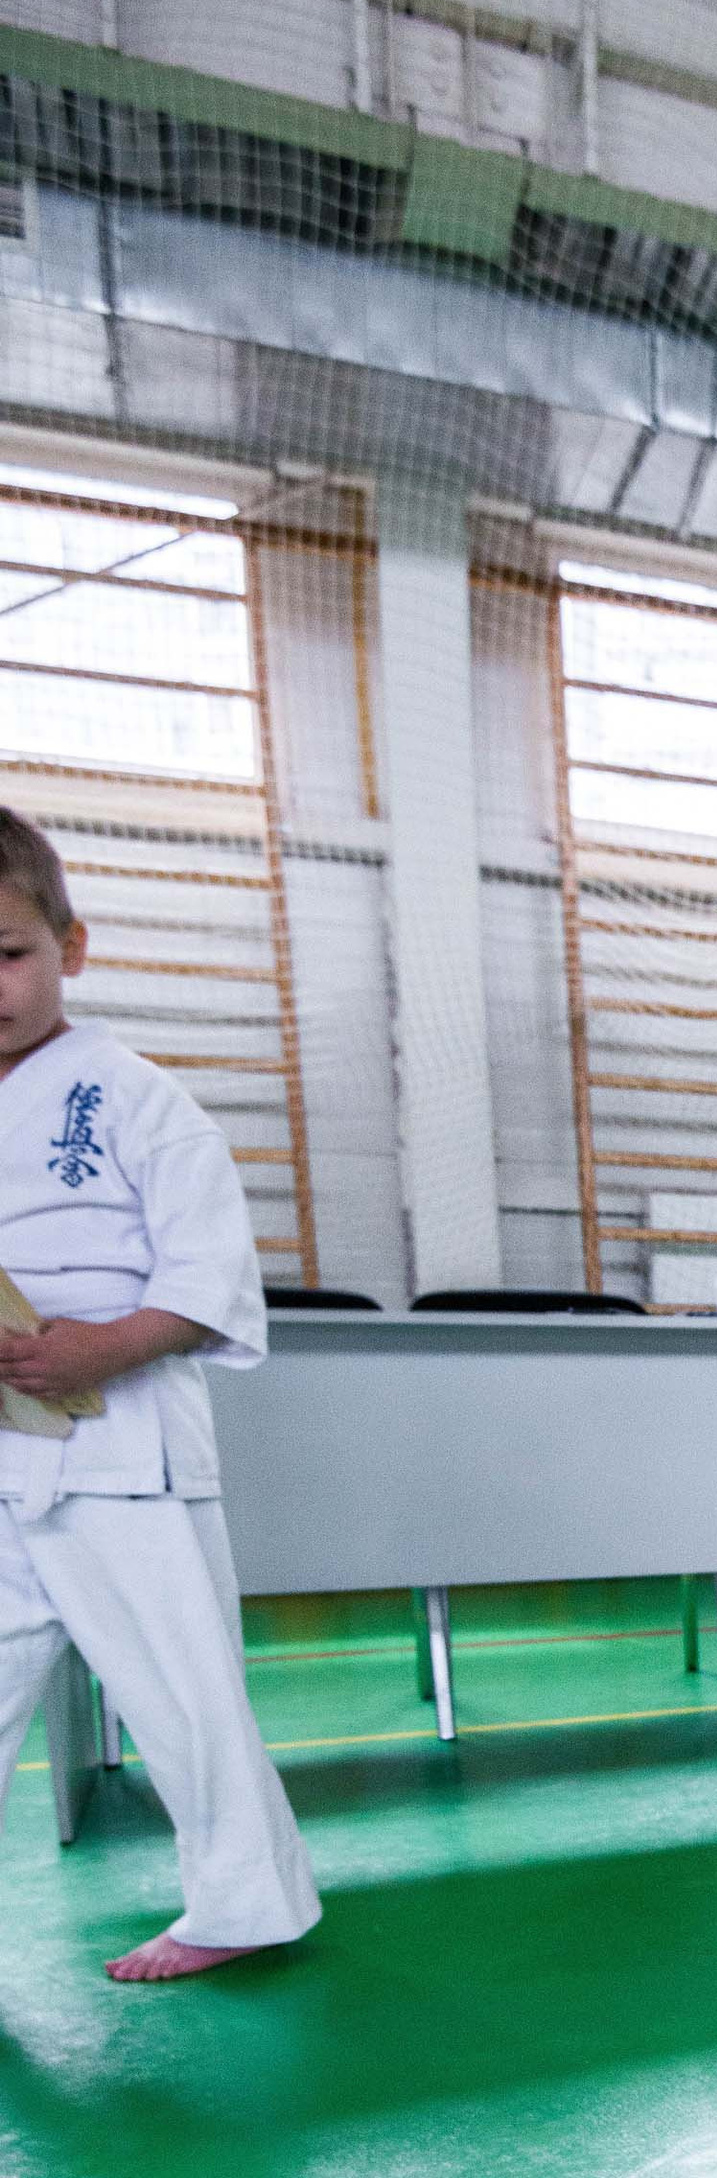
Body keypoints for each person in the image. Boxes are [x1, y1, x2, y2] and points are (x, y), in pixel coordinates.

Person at [0, 807, 319, 1983]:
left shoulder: (131, 1095)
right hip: (5, 1444)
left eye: (9, 953)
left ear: (69, 947)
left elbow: (209, 1278)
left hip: (120, 1437)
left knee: (177, 1682)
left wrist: (102, 1348)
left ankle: (242, 1903)